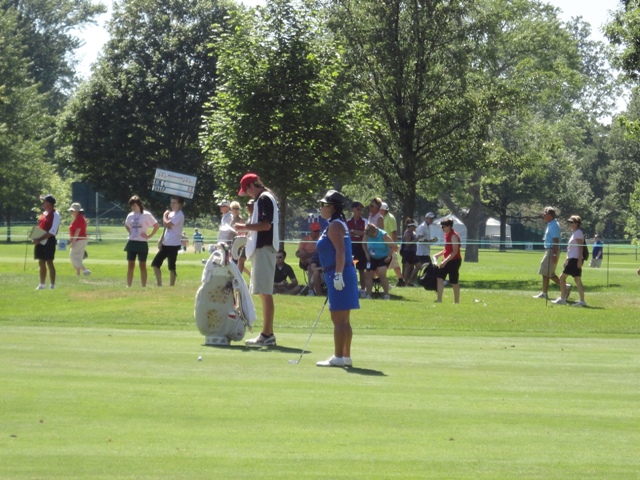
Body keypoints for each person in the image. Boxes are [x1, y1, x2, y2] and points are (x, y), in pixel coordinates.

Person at [235, 173, 279, 347]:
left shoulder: (263, 198)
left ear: (252, 185)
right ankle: (267, 333)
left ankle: (267, 334)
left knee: (265, 292)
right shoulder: (265, 198)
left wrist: (243, 226)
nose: (248, 195)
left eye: (247, 191)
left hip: (264, 249)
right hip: (262, 249)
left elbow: (266, 225)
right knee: (263, 292)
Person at [316, 190, 359, 367]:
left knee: (339, 318)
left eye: (323, 205)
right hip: (340, 272)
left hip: (338, 272)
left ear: (331, 207)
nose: (321, 208)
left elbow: (340, 251)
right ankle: (345, 356)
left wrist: (338, 274)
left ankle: (339, 357)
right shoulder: (336, 223)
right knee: (344, 318)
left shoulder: (334, 226)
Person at [533, 207, 570, 299]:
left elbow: (556, 241)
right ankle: (545, 293)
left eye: (544, 214)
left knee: (546, 271)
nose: (543, 215)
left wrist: (554, 254)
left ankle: (565, 287)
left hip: (552, 250)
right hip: (549, 250)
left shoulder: (554, 225)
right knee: (546, 272)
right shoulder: (550, 224)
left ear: (549, 215)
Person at [124, 195, 159, 287]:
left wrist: (149, 235)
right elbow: (126, 224)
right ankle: (129, 286)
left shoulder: (146, 215)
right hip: (131, 242)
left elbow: (156, 226)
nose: (133, 207)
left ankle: (143, 286)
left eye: (134, 205)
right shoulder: (130, 215)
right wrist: (130, 231)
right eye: (131, 206)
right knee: (130, 265)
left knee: (142, 265)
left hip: (142, 242)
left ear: (139, 204)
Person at [553, 215, 587, 307]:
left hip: (575, 259)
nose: (570, 224)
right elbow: (571, 248)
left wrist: (580, 260)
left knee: (562, 278)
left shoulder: (578, 233)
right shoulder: (574, 233)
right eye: (569, 222)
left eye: (572, 222)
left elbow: (581, 248)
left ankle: (563, 299)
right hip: (572, 258)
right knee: (577, 279)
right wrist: (566, 259)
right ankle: (582, 301)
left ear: (577, 223)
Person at [152, 196, 185, 287]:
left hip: (173, 244)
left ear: (180, 204)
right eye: (171, 202)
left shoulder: (179, 215)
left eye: (174, 203)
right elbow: (166, 227)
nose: (172, 205)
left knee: (171, 266)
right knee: (155, 264)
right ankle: (159, 284)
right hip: (166, 243)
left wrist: (164, 215)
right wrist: (161, 239)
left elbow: (167, 223)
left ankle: (171, 286)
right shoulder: (171, 214)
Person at [33, 194, 61, 290]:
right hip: (40, 240)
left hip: (49, 241)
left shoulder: (55, 215)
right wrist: (35, 237)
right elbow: (40, 227)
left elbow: (52, 232)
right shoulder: (43, 214)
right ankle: (42, 284)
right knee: (41, 261)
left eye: (44, 201)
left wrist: (39, 239)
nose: (43, 203)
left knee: (49, 261)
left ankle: (52, 284)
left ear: (49, 203)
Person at [364, 223, 396, 300]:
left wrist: (389, 256)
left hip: (384, 257)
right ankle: (368, 295)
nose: (369, 237)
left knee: (381, 274)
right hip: (371, 257)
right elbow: (363, 243)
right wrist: (366, 253)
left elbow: (392, 246)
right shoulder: (367, 235)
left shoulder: (383, 235)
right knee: (369, 275)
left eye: (370, 235)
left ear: (374, 232)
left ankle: (386, 294)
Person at [434, 217, 462, 304]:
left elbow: (455, 251)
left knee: (453, 282)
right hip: (446, 259)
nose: (442, 228)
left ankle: (456, 302)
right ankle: (439, 300)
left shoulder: (453, 236)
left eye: (444, 226)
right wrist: (438, 255)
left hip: (454, 261)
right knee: (439, 278)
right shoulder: (446, 235)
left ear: (449, 226)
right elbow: (447, 249)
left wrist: (445, 261)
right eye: (441, 226)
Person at [380, 202, 404, 286]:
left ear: (382, 210)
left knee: (387, 263)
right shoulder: (384, 217)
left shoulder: (389, 218)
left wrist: (394, 244)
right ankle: (401, 280)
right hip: (386, 244)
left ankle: (381, 279)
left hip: (389, 245)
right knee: (394, 263)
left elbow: (393, 232)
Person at [411, 212, 438, 285]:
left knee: (421, 267)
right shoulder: (422, 227)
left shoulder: (427, 227)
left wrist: (431, 241)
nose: (432, 220)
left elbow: (425, 239)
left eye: (432, 218)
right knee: (426, 267)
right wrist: (430, 241)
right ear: (426, 218)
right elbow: (420, 239)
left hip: (425, 251)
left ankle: (421, 281)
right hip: (421, 252)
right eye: (430, 218)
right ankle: (416, 281)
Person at [296, 222, 322, 295]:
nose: (316, 232)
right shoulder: (305, 239)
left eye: (318, 231)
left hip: (318, 261)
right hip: (305, 262)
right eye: (315, 231)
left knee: (310, 267)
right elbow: (298, 254)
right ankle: (312, 290)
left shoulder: (322, 239)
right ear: (311, 230)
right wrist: (312, 254)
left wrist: (308, 254)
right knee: (307, 259)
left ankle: (311, 290)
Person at [347, 201, 368, 289]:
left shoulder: (365, 221)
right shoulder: (348, 221)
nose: (360, 211)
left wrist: (354, 231)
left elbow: (366, 233)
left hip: (361, 246)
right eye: (358, 209)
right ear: (353, 209)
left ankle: (363, 288)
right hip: (351, 246)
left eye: (361, 210)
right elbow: (347, 233)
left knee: (361, 269)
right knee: (349, 268)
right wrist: (357, 233)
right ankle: (351, 287)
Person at [68, 202, 91, 276]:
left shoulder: (79, 218)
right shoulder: (78, 218)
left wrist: (73, 241)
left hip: (79, 239)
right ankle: (78, 275)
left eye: (73, 211)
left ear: (78, 211)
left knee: (73, 256)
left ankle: (85, 270)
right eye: (71, 211)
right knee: (78, 257)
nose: (71, 212)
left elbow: (78, 230)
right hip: (80, 239)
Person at [400, 219, 420, 286]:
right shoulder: (408, 233)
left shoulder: (412, 233)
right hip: (408, 252)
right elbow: (407, 244)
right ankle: (405, 283)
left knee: (417, 266)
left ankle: (410, 281)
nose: (415, 228)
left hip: (412, 252)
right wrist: (417, 239)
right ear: (410, 226)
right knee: (408, 268)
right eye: (414, 226)